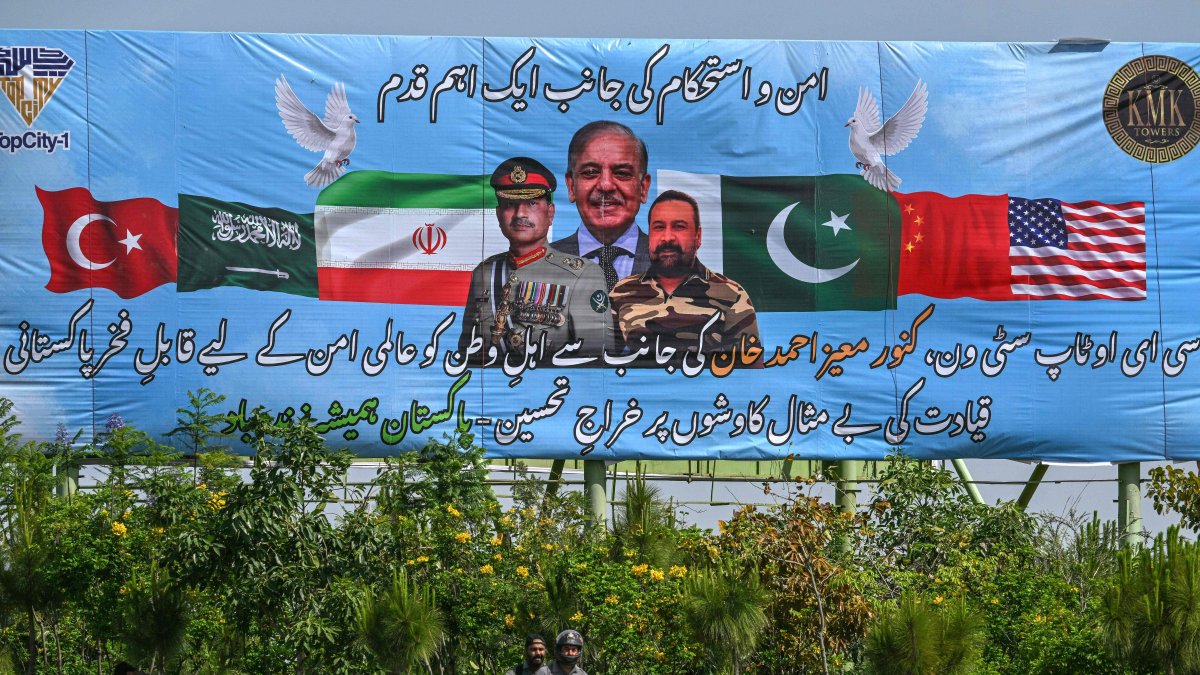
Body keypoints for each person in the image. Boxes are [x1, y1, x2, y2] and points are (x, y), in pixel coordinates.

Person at [458, 157, 613, 362]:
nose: (520, 213)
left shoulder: (583, 275)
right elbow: (467, 355)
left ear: (550, 213)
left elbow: (596, 362)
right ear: (498, 214)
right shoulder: (484, 272)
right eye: (510, 204)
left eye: (531, 203)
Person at [609, 190, 762, 363]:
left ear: (698, 236)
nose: (667, 238)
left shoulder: (732, 295)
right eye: (659, 227)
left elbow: (748, 373)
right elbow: (605, 368)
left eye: (679, 227)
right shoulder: (621, 293)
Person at [551, 121, 652, 290]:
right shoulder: (541, 264)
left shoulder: (676, 264)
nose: (605, 185)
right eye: (590, 172)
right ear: (571, 186)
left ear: (643, 187)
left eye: (622, 173)